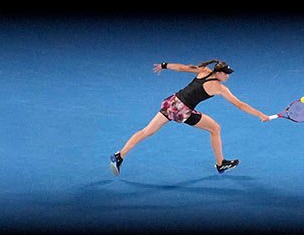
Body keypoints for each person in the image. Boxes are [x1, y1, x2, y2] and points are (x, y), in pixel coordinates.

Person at [110, 60, 269, 177]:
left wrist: (164, 65)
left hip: (171, 102)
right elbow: (240, 105)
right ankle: (221, 164)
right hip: (182, 111)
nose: (228, 76)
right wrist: (260, 114)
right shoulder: (220, 88)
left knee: (147, 131)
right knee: (215, 129)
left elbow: (181, 68)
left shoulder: (203, 71)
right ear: (218, 72)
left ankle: (119, 156)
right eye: (226, 73)